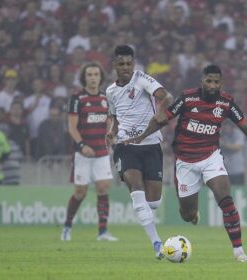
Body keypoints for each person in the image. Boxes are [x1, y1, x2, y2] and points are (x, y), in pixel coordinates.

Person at [124, 64, 247, 262]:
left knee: (225, 199)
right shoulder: (187, 98)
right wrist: (141, 136)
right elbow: (162, 120)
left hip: (211, 157)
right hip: (185, 162)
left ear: (221, 83)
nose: (212, 85)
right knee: (187, 214)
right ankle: (193, 215)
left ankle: (239, 251)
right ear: (202, 81)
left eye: (216, 82)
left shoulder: (226, 103)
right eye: (208, 81)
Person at [105, 45, 174, 259]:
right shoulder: (110, 91)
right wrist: (111, 131)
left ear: (133, 64)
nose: (126, 67)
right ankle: (156, 243)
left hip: (151, 144)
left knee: (153, 202)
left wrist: (160, 114)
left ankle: (149, 225)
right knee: (136, 187)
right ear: (114, 65)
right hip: (126, 146)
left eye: (129, 63)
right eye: (121, 64)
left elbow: (166, 96)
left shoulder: (142, 79)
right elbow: (115, 116)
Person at [61, 61, 117, 242]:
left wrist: (111, 135)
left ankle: (102, 232)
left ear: (101, 77)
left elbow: (109, 122)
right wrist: (81, 145)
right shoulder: (77, 98)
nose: (93, 78)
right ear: (84, 77)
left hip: (102, 152)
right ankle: (67, 227)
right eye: (90, 75)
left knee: (103, 188)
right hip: (83, 154)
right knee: (80, 192)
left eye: (96, 74)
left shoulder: (106, 97)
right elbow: (71, 127)